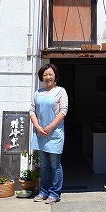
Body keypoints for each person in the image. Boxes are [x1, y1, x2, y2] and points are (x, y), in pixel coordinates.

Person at [29, 63, 68, 204]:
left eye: (50, 74)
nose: (48, 77)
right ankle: (43, 191)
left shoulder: (61, 91)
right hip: (40, 133)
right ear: (41, 77)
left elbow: (63, 111)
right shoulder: (37, 93)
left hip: (54, 134)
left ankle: (55, 193)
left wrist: (50, 127)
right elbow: (32, 111)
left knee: (55, 165)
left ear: (55, 76)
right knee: (43, 165)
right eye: (45, 74)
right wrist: (38, 127)